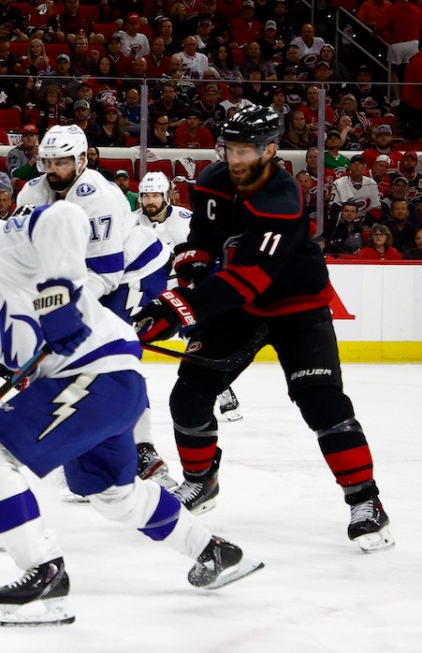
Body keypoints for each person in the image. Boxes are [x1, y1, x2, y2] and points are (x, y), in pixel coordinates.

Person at [0, 193, 261, 626]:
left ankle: (44, 572)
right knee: (110, 492)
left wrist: (58, 294)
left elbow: (64, 217)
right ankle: (213, 551)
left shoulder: (1, 242)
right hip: (93, 390)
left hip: (99, 372)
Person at [133, 105, 394, 553]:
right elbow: (201, 239)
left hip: (297, 306)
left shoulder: (282, 197)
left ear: (270, 149)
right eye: (230, 148)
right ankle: (201, 481)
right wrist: (193, 271)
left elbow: (246, 278)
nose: (235, 159)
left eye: (246, 150)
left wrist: (177, 307)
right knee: (189, 394)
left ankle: (366, 502)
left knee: (322, 403)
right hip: (240, 309)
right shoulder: (212, 181)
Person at [16, 126, 176, 489]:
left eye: (62, 161)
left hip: (134, 275)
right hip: (86, 275)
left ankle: (143, 449)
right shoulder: (32, 190)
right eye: (48, 161)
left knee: (111, 358)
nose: (53, 168)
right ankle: (87, 448)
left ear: (83, 160)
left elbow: (105, 274)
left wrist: (54, 309)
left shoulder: (97, 197)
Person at [138, 172, 242, 422]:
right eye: (145, 195)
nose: (149, 200)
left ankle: (221, 389)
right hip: (145, 290)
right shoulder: (130, 222)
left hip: (181, 289)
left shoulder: (186, 220)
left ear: (166, 196)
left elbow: (205, 250)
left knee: (198, 340)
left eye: (155, 195)